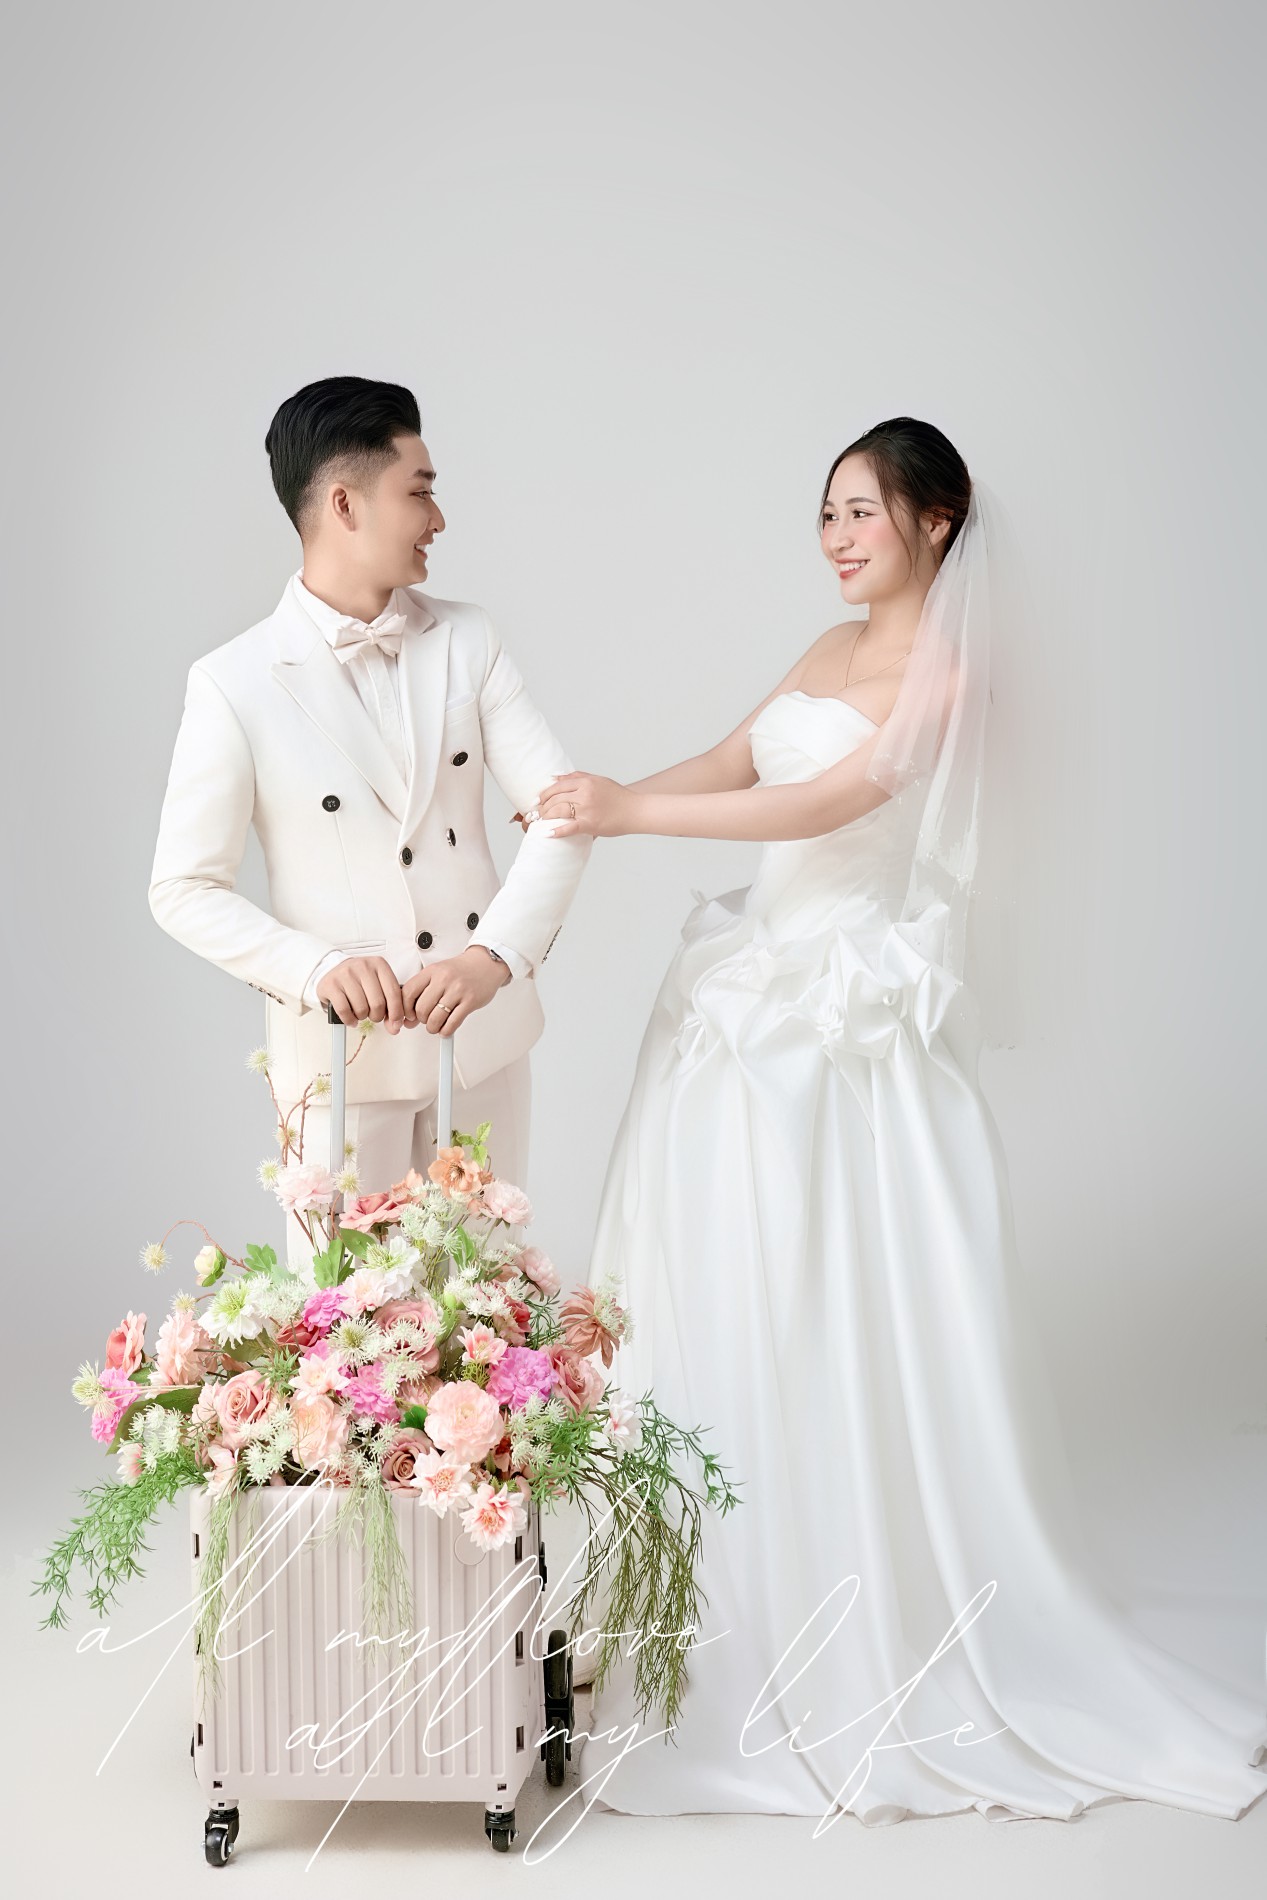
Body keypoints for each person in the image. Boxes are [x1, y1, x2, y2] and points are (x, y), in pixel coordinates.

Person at [533, 417, 1267, 1824]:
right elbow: (734, 760)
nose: (835, 537)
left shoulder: (953, 671)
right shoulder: (824, 648)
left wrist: (631, 818)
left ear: (936, 519)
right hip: (747, 991)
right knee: (720, 1287)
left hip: (842, 1021)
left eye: (860, 510)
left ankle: (849, 1606)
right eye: (825, 513)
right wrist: (604, 797)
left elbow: (829, 800)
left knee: (836, 1306)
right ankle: (706, 1599)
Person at [148, 376, 590, 1268]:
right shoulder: (233, 681)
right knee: (348, 1322)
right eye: (419, 491)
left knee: (492, 1310)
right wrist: (314, 969)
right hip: (343, 1054)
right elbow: (182, 888)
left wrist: (493, 956)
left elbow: (564, 812)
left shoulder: (469, 639)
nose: (438, 518)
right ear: (345, 504)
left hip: (480, 1038)